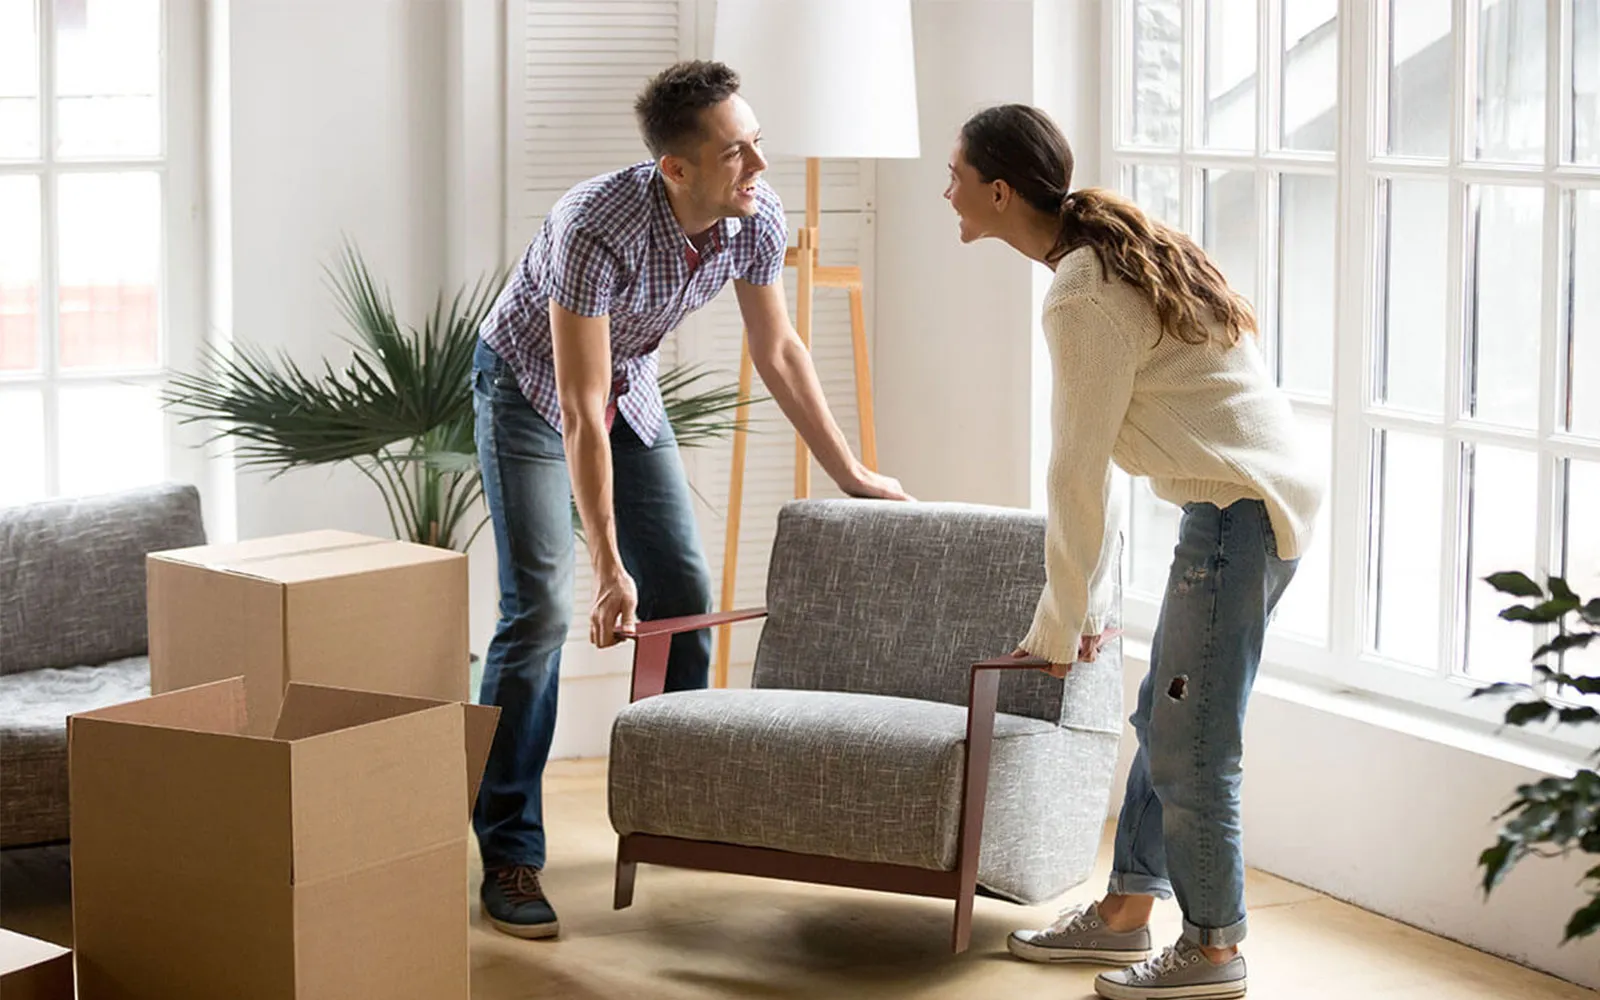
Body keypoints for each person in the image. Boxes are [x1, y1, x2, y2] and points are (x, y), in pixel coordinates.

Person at [470, 60, 909, 940]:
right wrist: (605, 568)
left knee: (684, 593)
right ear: (677, 168)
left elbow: (780, 351)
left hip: (624, 383)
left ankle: (676, 805)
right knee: (541, 612)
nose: (758, 166)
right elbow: (578, 411)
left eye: (758, 144)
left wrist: (850, 471)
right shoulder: (595, 225)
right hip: (526, 389)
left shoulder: (753, 215)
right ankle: (510, 850)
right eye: (735, 152)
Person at [943, 104, 1323, 1000]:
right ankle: (1123, 914)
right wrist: (1074, 605)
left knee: (1194, 743)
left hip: (1239, 514)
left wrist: (1060, 622)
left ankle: (1215, 949)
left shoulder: (1080, 292)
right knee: (1166, 720)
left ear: (1000, 192)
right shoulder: (1094, 261)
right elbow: (1098, 468)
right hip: (1238, 510)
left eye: (956, 174)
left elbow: (1077, 472)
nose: (946, 190)